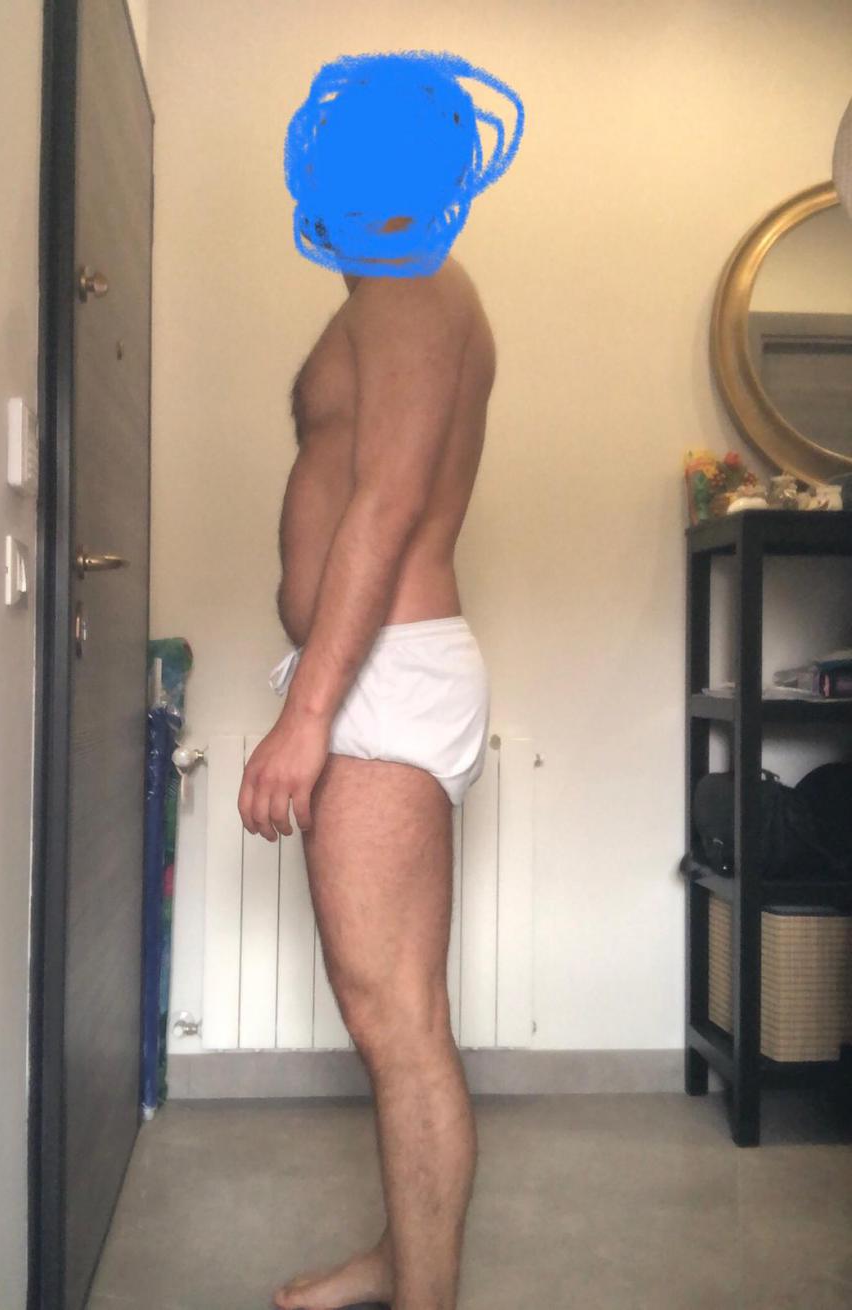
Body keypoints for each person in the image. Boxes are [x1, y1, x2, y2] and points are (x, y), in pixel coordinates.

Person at [237, 244, 496, 1310]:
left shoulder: (411, 281)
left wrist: (307, 715)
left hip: (379, 674)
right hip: (372, 667)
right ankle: (400, 1257)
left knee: (398, 1020)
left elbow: (388, 501)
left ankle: (422, 1294)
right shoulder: (400, 289)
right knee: (395, 1013)